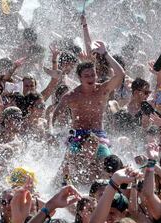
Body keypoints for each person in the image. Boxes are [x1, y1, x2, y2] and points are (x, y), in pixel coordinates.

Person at [52, 41, 125, 185]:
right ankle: (58, 187)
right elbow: (55, 113)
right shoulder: (71, 95)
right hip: (78, 135)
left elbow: (120, 74)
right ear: (80, 78)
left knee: (110, 163)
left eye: (93, 75)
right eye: (87, 76)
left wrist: (106, 54)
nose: (91, 78)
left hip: (98, 135)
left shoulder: (103, 90)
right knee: (67, 164)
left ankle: (110, 191)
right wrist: (52, 130)